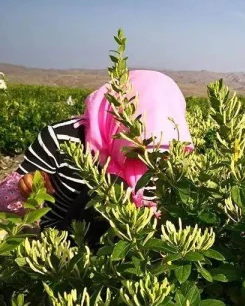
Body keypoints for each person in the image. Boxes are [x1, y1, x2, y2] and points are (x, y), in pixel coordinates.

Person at [0, 70, 192, 241]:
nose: (148, 154)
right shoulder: (61, 138)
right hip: (63, 242)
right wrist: (25, 188)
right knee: (110, 187)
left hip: (134, 246)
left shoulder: (165, 154)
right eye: (143, 142)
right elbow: (5, 202)